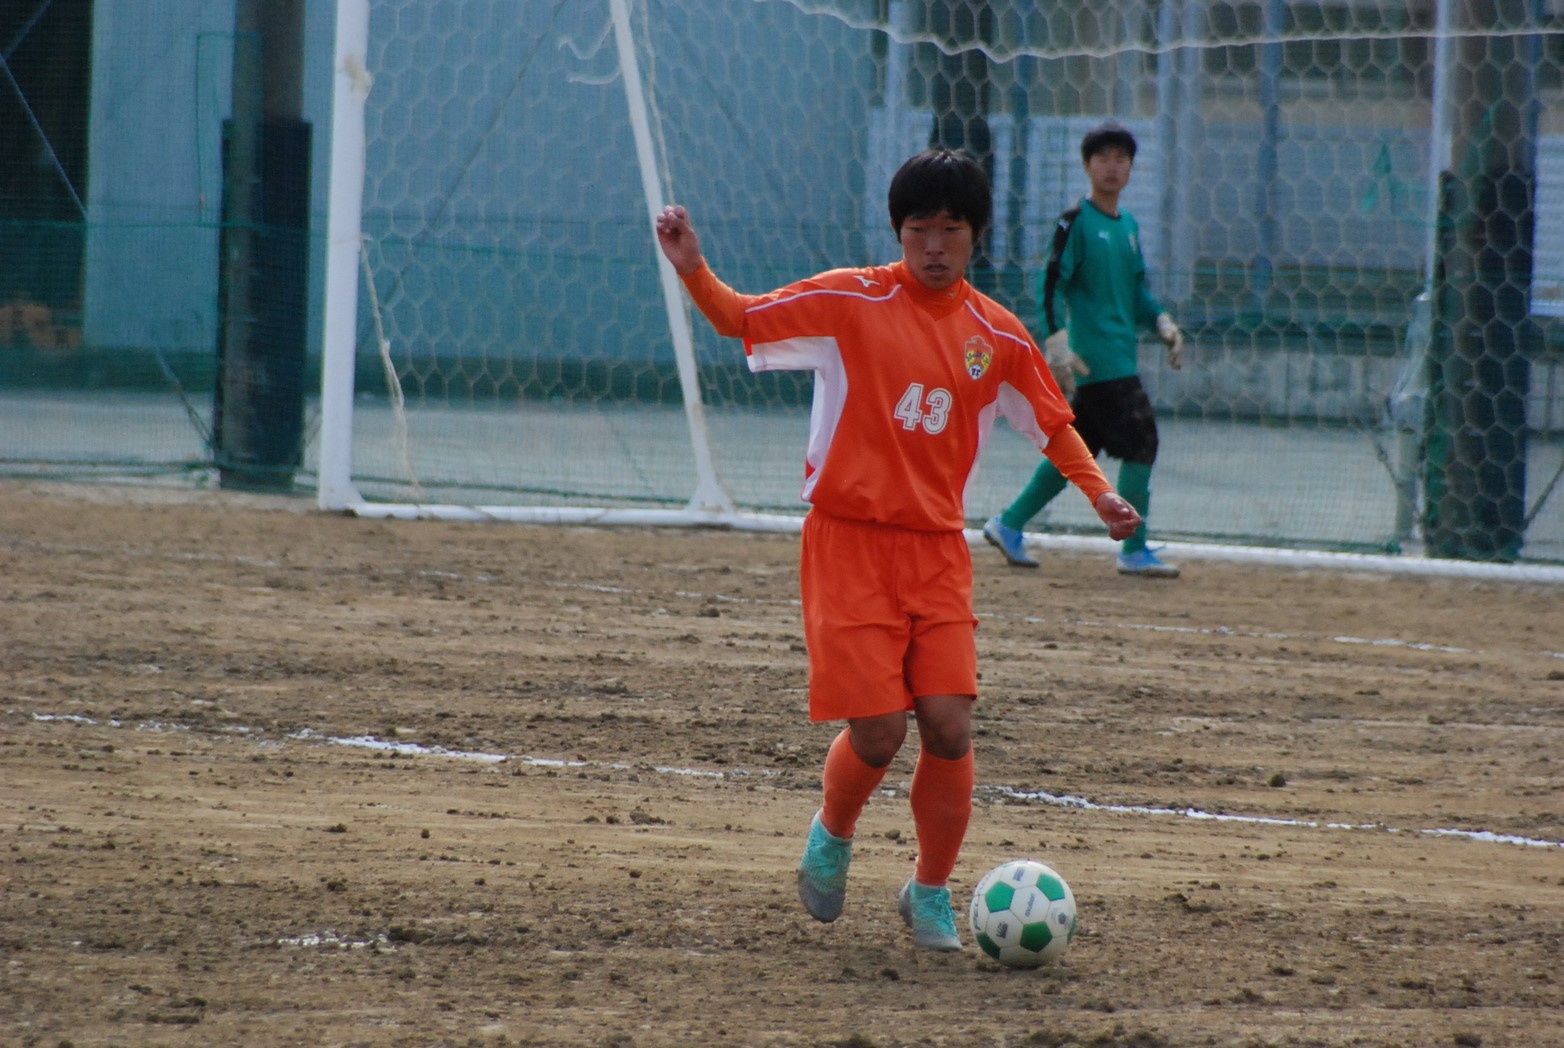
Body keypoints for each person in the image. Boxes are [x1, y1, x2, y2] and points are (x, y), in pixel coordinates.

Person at [654, 148, 1141, 952]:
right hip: (849, 546)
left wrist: (1100, 495)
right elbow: (741, 318)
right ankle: (833, 832)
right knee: (879, 732)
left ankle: (930, 891)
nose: (935, 246)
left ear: (976, 236)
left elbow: (1053, 424)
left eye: (952, 230)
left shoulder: (998, 335)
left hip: (938, 553)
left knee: (949, 726)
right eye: (920, 229)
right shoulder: (851, 299)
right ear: (898, 231)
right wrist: (694, 269)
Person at [982, 122, 1185, 578]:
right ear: (1087, 165)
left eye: (1121, 158)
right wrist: (1056, 342)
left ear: (1131, 167)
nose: (1112, 167)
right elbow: (1051, 282)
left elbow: (1136, 290)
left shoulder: (1128, 226)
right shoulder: (1075, 221)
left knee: (1078, 448)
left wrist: (1162, 322)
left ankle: (1008, 524)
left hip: (1117, 356)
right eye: (1103, 158)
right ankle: (1134, 548)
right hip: (1096, 360)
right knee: (1142, 441)